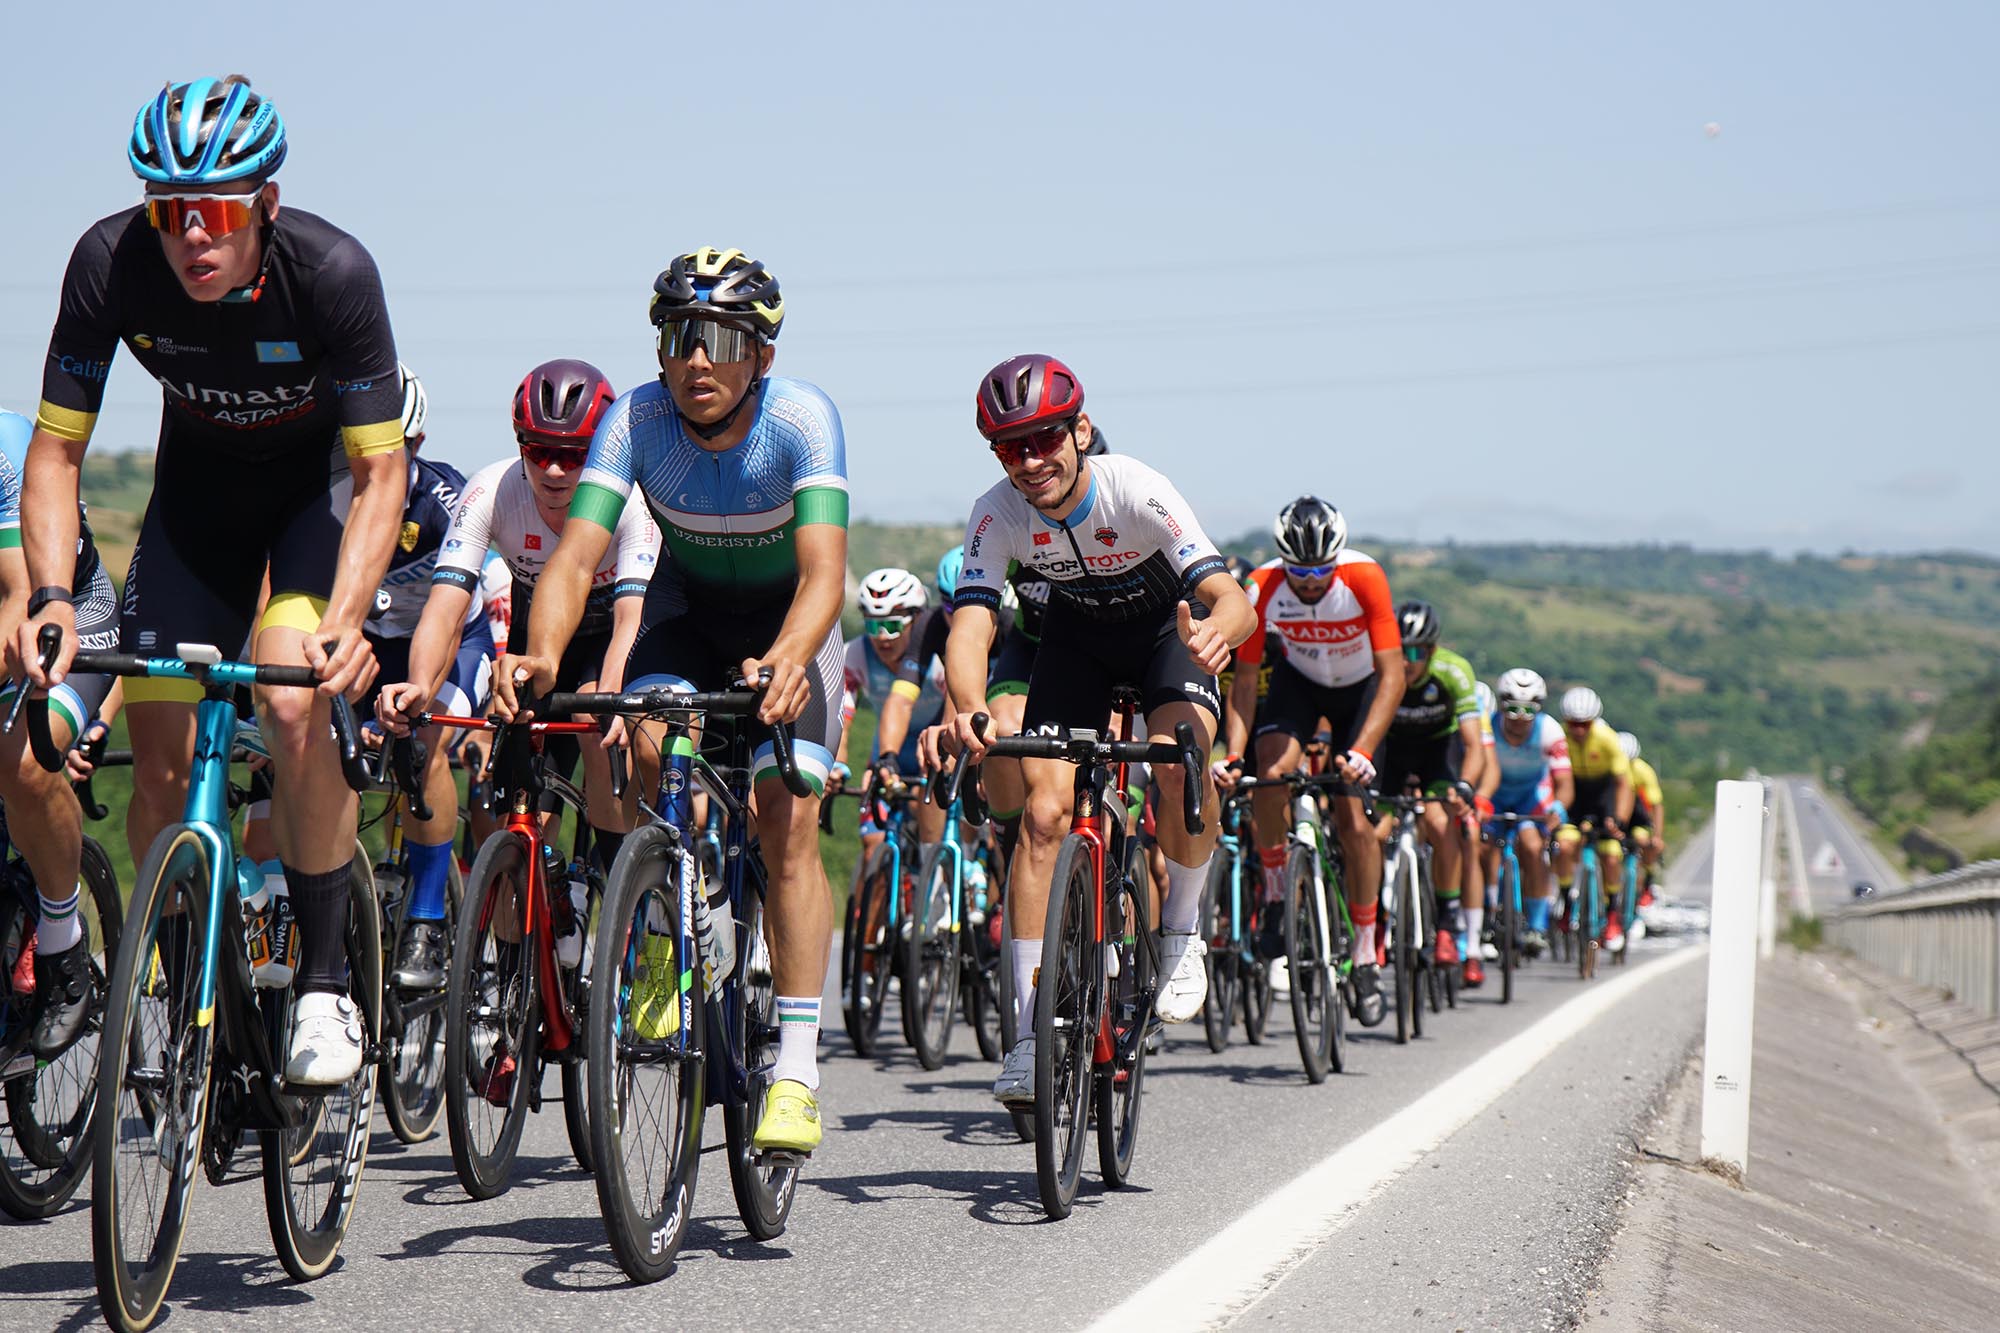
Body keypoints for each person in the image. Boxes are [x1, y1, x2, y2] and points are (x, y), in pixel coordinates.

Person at [20, 77, 407, 1084]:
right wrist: (53, 595)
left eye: (219, 212)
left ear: (265, 207)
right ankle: (180, 968)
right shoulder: (110, 263)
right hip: (194, 508)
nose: (193, 236)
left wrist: (353, 619)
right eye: (170, 211)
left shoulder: (331, 273)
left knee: (290, 700)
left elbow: (379, 472)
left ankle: (323, 982)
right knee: (157, 767)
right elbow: (57, 453)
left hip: (312, 501)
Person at [494, 250, 845, 1157]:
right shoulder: (637, 419)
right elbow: (576, 558)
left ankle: (798, 1069)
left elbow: (823, 574)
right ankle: (665, 930)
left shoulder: (803, 419)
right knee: (640, 742)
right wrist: (536, 652)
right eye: (681, 336)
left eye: (723, 338)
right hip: (687, 612)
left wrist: (792, 656)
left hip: (788, 620)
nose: (698, 358)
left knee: (786, 813)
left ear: (760, 355)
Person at [922, 353, 1256, 1106]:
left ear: (1079, 430)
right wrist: (969, 704)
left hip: (1166, 633)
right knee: (1042, 816)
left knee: (1179, 766)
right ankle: (1030, 1035)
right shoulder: (995, 512)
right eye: (1012, 448)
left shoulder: (1136, 488)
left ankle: (1178, 933)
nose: (1032, 461)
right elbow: (971, 623)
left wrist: (1219, 633)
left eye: (1045, 439)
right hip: (1076, 644)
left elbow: (1229, 596)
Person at [377, 359, 656, 991]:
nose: (554, 470)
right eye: (539, 451)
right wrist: (421, 685)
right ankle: (509, 987)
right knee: (517, 816)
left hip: (612, 632)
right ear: (519, 445)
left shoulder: (629, 500)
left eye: (573, 453)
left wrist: (612, 697)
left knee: (592, 714)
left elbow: (631, 619)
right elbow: (447, 606)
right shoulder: (491, 490)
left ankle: (619, 908)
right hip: (540, 634)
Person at [1221, 497, 1403, 1025]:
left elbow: (1392, 675)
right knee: (1268, 776)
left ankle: (1366, 953)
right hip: (1300, 688)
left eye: (1321, 569)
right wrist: (1234, 753)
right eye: (1299, 571)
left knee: (1352, 820)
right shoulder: (1263, 584)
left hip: (1360, 693)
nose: (1310, 581)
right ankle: (1278, 893)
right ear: (1283, 562)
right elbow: (1248, 680)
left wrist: (1363, 750)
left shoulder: (1364, 578)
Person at [0, 409, 118, 1056]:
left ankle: (61, 942)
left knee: (20, 760)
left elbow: (19, 601)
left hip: (69, 622)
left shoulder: (8, 449)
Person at [1373, 600, 1487, 988]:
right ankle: (1371, 918)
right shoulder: (1378, 664)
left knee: (1441, 824)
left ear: (1432, 651)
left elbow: (1474, 745)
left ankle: (1445, 922)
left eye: (1417, 652)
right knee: (1371, 833)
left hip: (1437, 752)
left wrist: (1465, 787)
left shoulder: (1454, 672)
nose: (1407, 661)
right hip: (1390, 751)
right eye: (1401, 650)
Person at [835, 567, 948, 851]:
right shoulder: (855, 654)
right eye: (873, 625)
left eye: (894, 625)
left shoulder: (939, 659)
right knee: (873, 843)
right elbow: (841, 720)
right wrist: (838, 766)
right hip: (886, 754)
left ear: (916, 622)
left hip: (933, 751)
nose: (882, 636)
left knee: (934, 832)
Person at [1482, 668, 1572, 956]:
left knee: (1533, 847)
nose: (1520, 718)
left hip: (1529, 798)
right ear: (1501, 705)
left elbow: (1564, 783)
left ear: (1539, 709)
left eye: (1528, 710)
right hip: (1495, 794)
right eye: (1512, 709)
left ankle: (1536, 924)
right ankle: (1487, 912)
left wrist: (1558, 807)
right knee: (1482, 846)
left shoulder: (1550, 731)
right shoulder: (1488, 727)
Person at [1553, 685, 1632, 951]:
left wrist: (1618, 819)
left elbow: (1623, 784)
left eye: (1584, 725)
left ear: (1593, 721)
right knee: (1563, 846)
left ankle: (1612, 913)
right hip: (1572, 796)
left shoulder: (1608, 739)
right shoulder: (1558, 737)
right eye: (1573, 724)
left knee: (1610, 856)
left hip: (1602, 798)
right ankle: (1565, 900)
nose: (1578, 731)